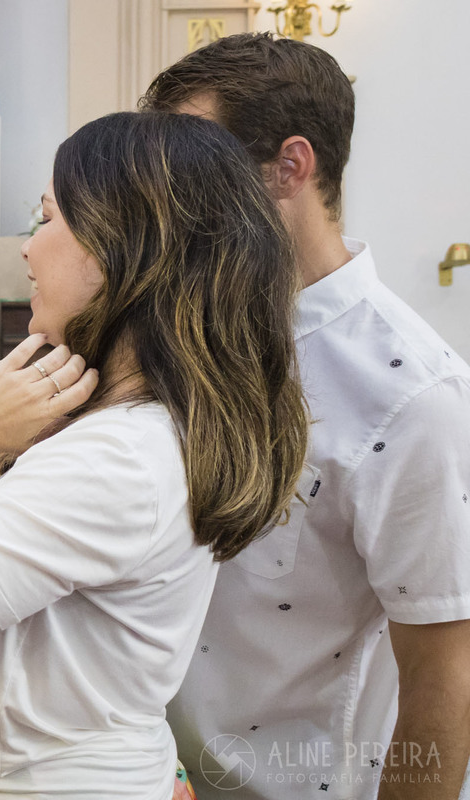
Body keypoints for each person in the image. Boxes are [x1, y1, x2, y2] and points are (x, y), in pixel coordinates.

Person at [0, 110, 309, 799]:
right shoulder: (142, 433)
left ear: (125, 249)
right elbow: (51, 612)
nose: (28, 250)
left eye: (49, 218)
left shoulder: (115, 455)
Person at [139, 33, 470, 799]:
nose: (172, 200)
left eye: (199, 170)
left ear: (290, 166)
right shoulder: (185, 325)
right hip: (155, 773)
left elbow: (441, 672)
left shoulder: (414, 396)